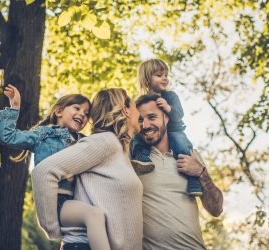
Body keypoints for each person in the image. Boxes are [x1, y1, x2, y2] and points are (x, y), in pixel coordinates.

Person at [0, 85, 111, 250]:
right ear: (58, 112)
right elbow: (7, 136)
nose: (82, 115)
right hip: (57, 202)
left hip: (79, 199)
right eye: (77, 108)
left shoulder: (84, 141)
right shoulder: (43, 134)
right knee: (93, 216)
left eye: (86, 114)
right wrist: (14, 108)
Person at [31, 88, 143, 250]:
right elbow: (43, 172)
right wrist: (51, 227)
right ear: (125, 110)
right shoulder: (105, 142)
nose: (139, 114)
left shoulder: (120, 149)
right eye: (135, 107)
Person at [135, 94, 224, 249]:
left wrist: (201, 172)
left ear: (166, 118)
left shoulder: (190, 156)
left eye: (152, 117)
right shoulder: (135, 160)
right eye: (140, 120)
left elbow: (216, 209)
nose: (146, 125)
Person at [130, 58, 203, 196]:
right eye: (159, 75)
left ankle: (193, 181)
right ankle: (142, 157)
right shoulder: (141, 101)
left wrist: (168, 108)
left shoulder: (171, 96)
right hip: (153, 134)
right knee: (136, 137)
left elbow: (179, 114)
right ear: (147, 79)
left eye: (166, 76)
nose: (164, 79)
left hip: (174, 130)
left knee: (181, 146)